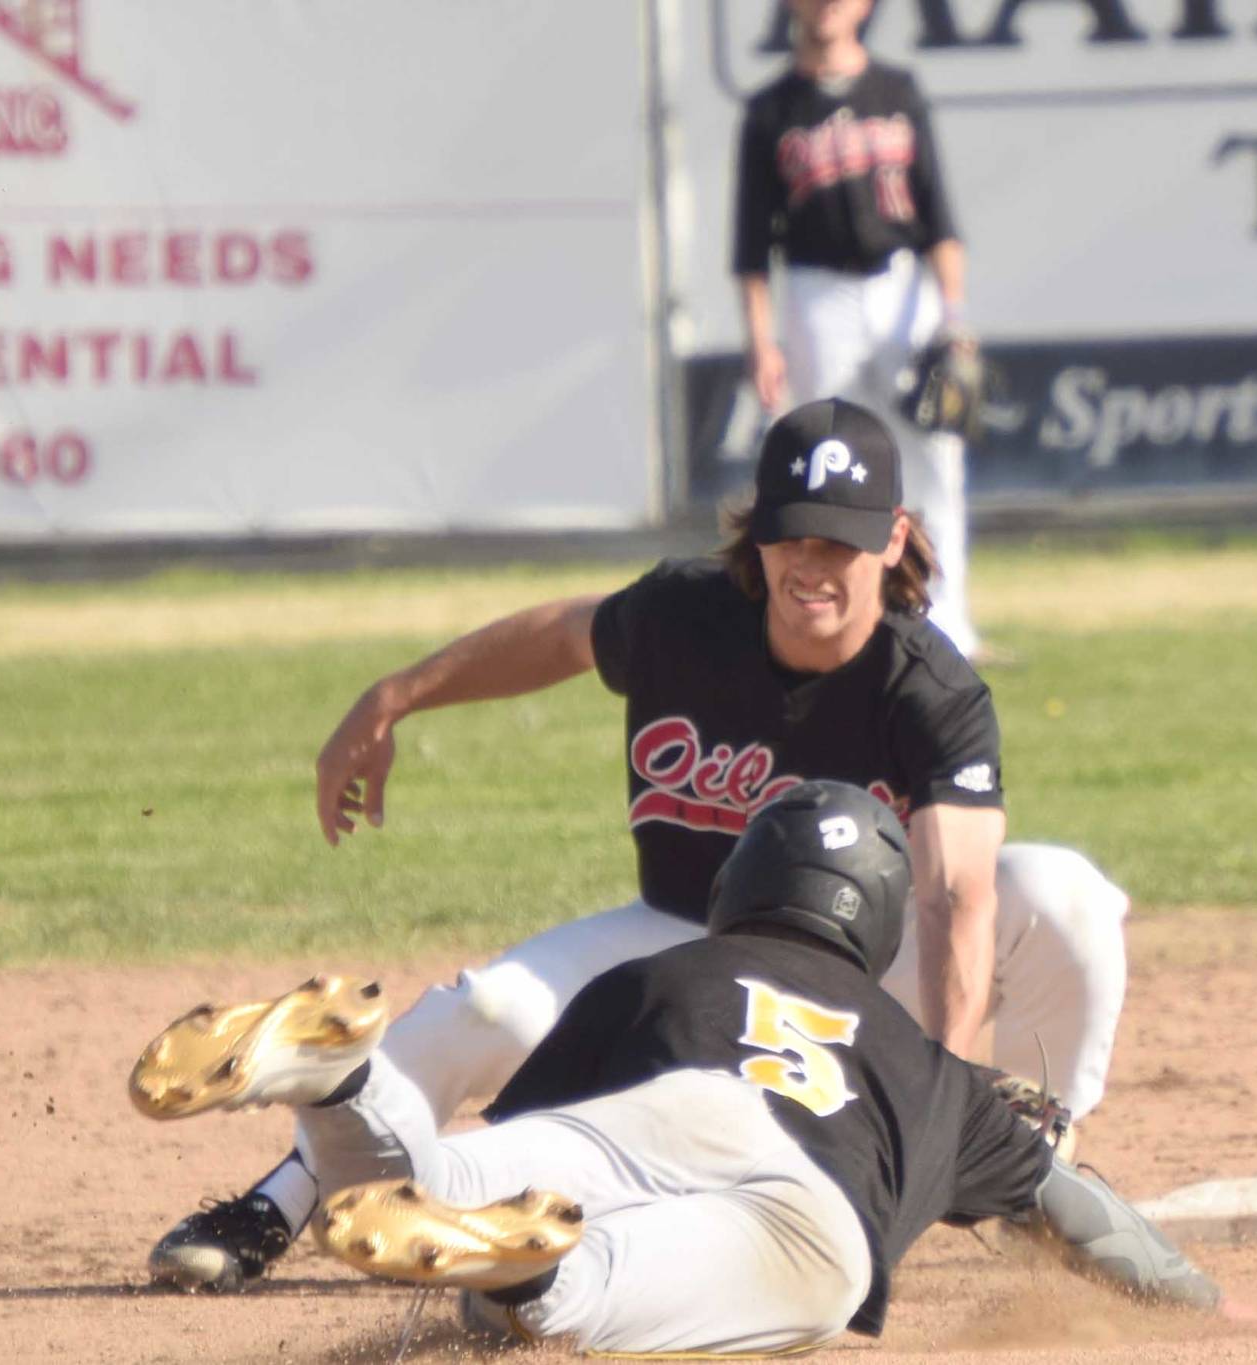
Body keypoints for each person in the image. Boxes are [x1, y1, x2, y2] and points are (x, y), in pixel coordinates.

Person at [144, 398, 1131, 1293]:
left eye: (843, 541)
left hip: (852, 974)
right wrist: (395, 695)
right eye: (794, 536)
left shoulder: (928, 690)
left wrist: (935, 1094)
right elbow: (561, 637)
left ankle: (1032, 1153)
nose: (813, 564)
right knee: (481, 1009)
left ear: (893, 541)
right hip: (675, 936)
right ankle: (279, 1200)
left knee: (1062, 892)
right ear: (760, 535)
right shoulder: (685, 617)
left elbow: (954, 896)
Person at [131, 784, 1257, 1353]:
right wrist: (1201, 1300)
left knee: (443, 1169)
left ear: (741, 888)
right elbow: (1077, 1209)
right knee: (578, 1291)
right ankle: (534, 1283)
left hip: (657, 1106)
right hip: (806, 1210)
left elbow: (515, 1138)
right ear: (877, 925)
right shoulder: (930, 1070)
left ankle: (342, 1083)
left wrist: (463, 1181)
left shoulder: (654, 979)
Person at [734, 0, 985, 657]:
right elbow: (752, 249)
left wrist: (954, 319)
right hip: (817, 291)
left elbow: (940, 220)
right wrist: (762, 341)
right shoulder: (771, 111)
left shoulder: (897, 91)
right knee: (825, 454)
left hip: (904, 285)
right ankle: (826, 621)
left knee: (935, 456)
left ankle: (948, 621)